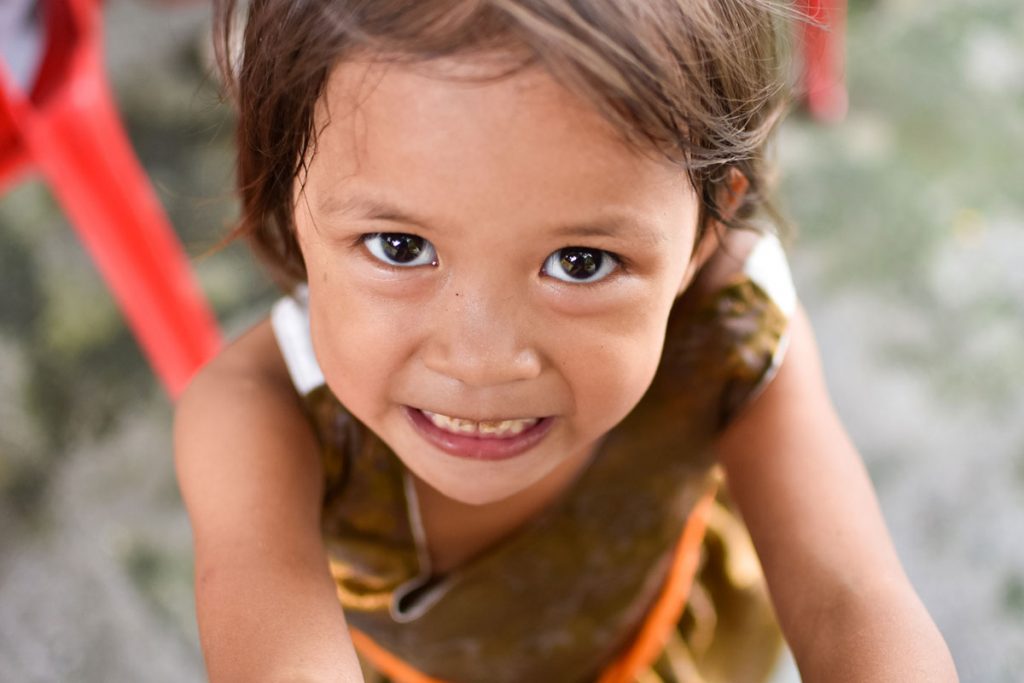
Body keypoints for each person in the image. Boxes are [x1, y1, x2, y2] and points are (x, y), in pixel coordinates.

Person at [174, 1, 958, 681]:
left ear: (704, 231)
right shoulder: (254, 417)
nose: (480, 360)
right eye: (400, 247)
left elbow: (848, 600)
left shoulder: (733, 325)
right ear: (286, 189)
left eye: (580, 263)